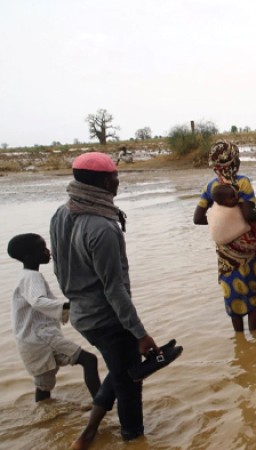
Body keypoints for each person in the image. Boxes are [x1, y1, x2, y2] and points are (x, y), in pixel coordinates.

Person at [50, 152, 160, 448]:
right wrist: (140, 333)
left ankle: (90, 431)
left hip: (82, 314)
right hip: (108, 319)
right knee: (129, 384)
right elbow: (115, 289)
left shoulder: (61, 214)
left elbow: (59, 267)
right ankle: (132, 438)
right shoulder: (102, 227)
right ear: (101, 182)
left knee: (120, 369)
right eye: (114, 176)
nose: (118, 181)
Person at [7, 233, 100, 404]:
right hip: (41, 337)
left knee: (44, 385)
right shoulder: (32, 277)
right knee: (89, 361)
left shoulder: (26, 276)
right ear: (28, 256)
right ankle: (101, 405)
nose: (48, 251)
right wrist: (70, 306)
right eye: (42, 249)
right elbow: (38, 301)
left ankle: (46, 414)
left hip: (32, 340)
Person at [193, 141, 256, 333]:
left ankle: (239, 337)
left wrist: (221, 223)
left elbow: (197, 218)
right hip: (248, 250)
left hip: (225, 253)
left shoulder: (210, 187)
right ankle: (254, 333)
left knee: (232, 294)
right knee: (252, 292)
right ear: (233, 162)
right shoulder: (242, 183)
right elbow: (249, 215)